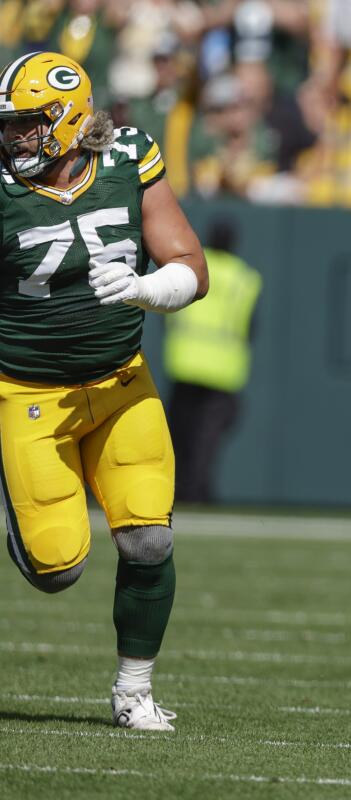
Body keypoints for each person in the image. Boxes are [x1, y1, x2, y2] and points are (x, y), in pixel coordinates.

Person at [0, 52, 209, 731]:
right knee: (56, 567)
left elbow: (190, 265)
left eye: (27, 126)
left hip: (122, 383)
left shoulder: (127, 157)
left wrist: (149, 289)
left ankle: (133, 690)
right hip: (28, 393)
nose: (15, 139)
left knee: (150, 542)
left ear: (66, 120)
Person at [164, 218, 262, 504]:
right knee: (207, 438)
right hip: (223, 370)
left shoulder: (192, 268)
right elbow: (251, 327)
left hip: (185, 363)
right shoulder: (245, 280)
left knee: (179, 432)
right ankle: (198, 491)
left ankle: (179, 488)